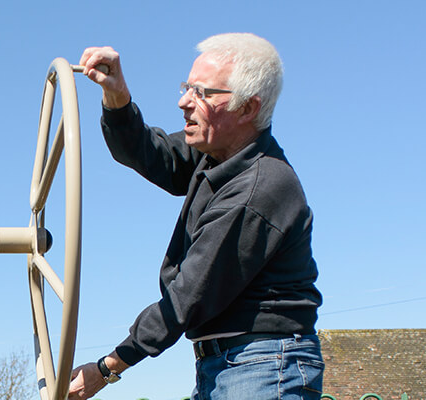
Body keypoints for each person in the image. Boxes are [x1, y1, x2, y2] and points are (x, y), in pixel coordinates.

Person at [69, 33, 324, 400]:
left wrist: (107, 368)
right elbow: (149, 153)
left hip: (263, 365)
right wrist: (117, 95)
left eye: (202, 93)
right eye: (187, 87)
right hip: (223, 364)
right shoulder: (216, 155)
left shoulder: (258, 188)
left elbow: (189, 296)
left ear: (248, 108)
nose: (183, 102)